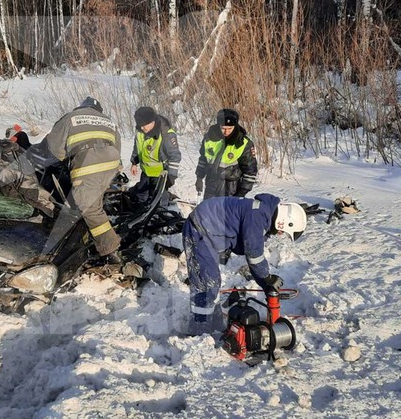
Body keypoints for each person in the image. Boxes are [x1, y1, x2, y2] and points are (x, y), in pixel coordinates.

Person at [182, 193, 307, 335]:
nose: (279, 234)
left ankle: (214, 323)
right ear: (283, 221)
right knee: (206, 283)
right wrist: (266, 278)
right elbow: (254, 254)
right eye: (282, 231)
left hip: (208, 231)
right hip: (199, 229)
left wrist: (265, 283)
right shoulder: (258, 216)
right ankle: (198, 331)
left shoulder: (262, 214)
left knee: (212, 281)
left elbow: (252, 256)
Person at [40, 96, 123, 258]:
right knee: (92, 199)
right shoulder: (109, 122)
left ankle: (111, 250)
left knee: (90, 208)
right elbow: (117, 148)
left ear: (81, 107)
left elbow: (54, 149)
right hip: (112, 163)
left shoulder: (71, 118)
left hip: (89, 163)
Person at [195, 108, 258, 200]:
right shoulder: (209, 138)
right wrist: (199, 177)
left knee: (225, 214)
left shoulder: (243, 144)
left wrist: (242, 192)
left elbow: (250, 171)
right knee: (208, 212)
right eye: (223, 128)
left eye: (229, 129)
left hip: (232, 188)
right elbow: (203, 159)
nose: (226, 132)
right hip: (211, 184)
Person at [129, 106, 181, 207]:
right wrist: (134, 163)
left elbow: (175, 156)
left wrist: (171, 176)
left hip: (160, 174)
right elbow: (137, 147)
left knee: (159, 199)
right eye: (140, 125)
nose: (142, 128)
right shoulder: (140, 131)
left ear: (152, 121)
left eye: (145, 125)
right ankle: (141, 213)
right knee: (141, 195)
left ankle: (161, 214)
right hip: (146, 172)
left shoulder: (166, 134)